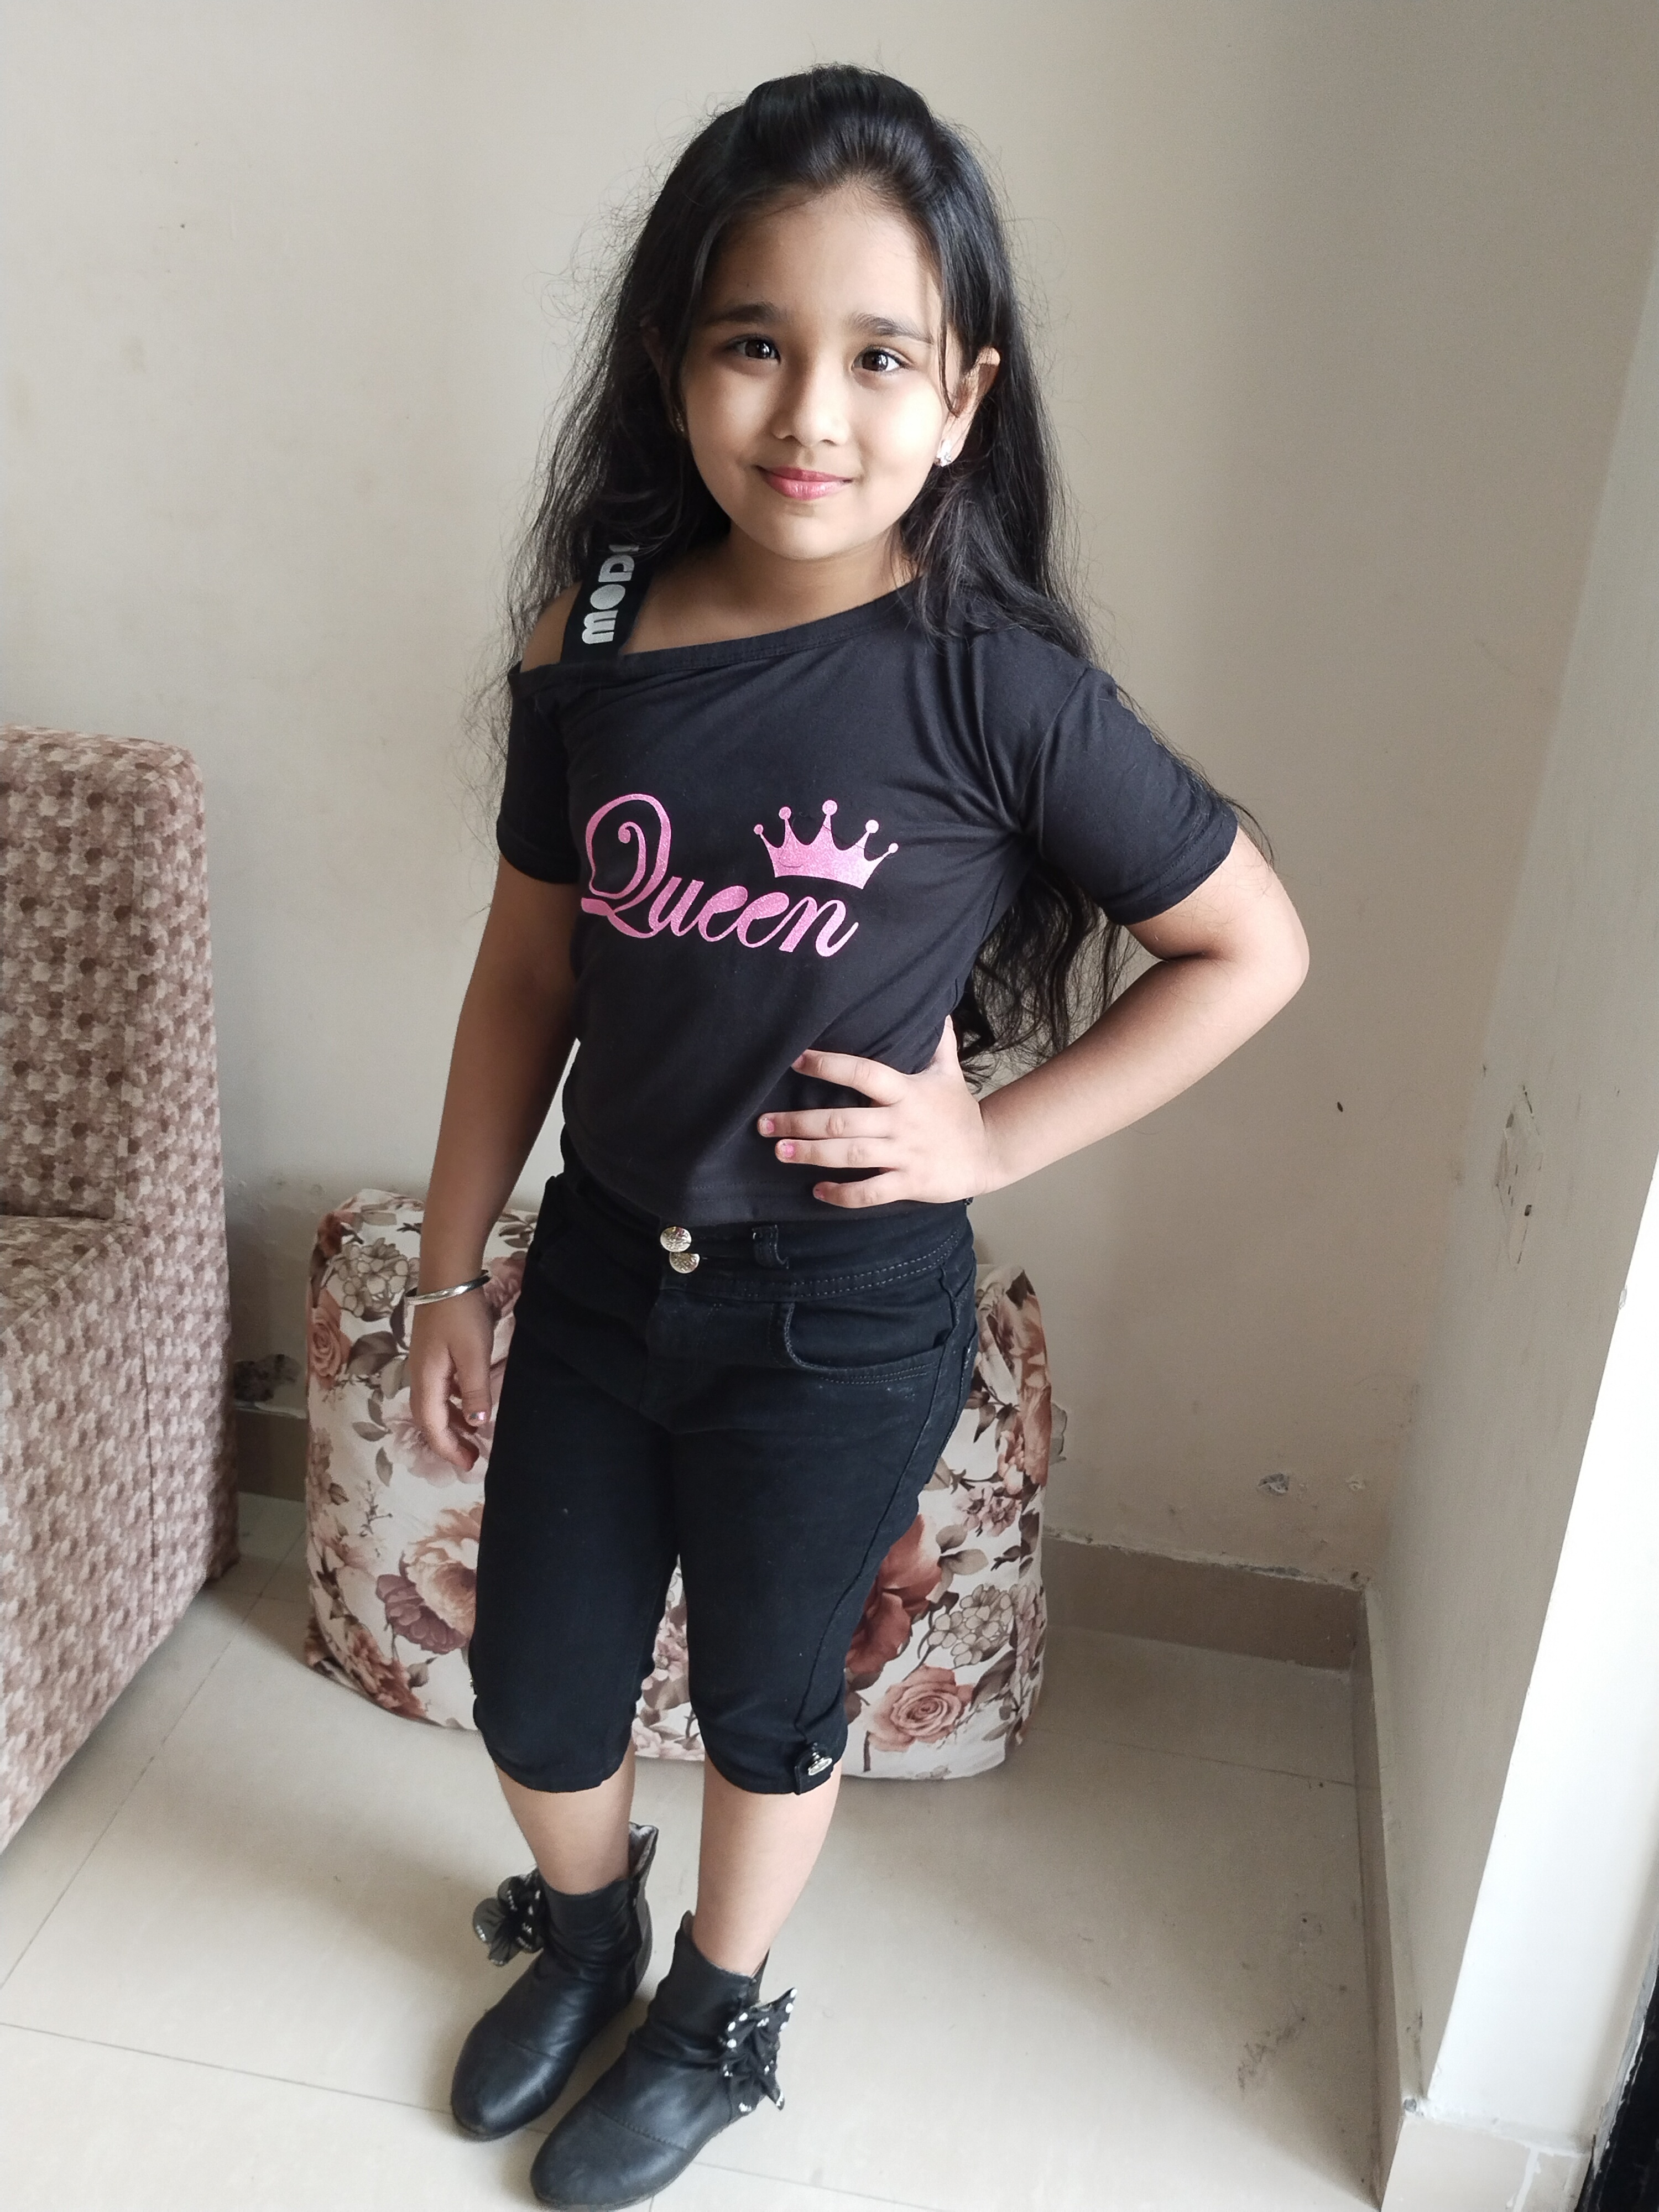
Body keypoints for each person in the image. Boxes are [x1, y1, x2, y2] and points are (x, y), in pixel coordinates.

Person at [408, 62, 1308, 2211]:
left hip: (837, 1313)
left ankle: (714, 2012)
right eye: (756, 342)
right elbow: (525, 976)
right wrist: (452, 1270)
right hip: (606, 1267)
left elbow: (1249, 948)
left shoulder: (992, 682)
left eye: (880, 357)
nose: (811, 411)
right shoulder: (592, 633)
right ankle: (591, 1932)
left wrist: (991, 1141)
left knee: (771, 1699)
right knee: (536, 1689)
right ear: (673, 360)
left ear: (964, 397)